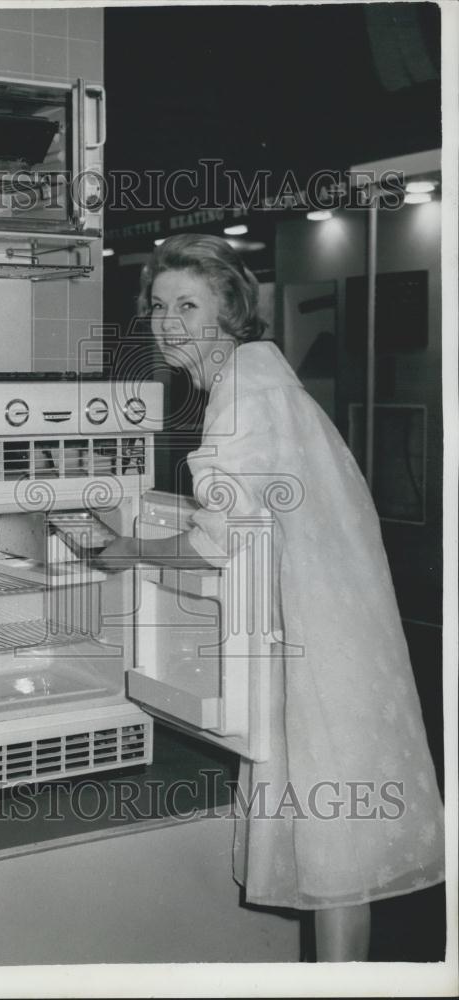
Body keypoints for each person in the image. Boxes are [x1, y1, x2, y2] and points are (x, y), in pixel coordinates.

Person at [97, 234, 445, 961]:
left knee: (332, 843)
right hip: (337, 625)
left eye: (187, 305)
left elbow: (220, 542)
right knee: (338, 841)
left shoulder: (239, 396)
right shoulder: (261, 378)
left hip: (313, 638)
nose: (167, 322)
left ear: (228, 311)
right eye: (158, 305)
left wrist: (132, 548)